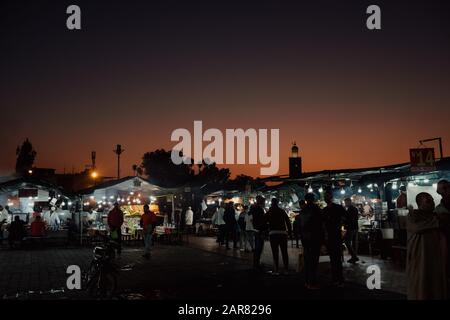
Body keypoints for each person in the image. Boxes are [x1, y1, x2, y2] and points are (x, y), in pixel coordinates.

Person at [406, 192, 447, 300]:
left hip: (435, 259)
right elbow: (416, 227)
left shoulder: (435, 215)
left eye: (432, 200)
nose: (432, 203)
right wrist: (437, 222)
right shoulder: (413, 215)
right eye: (428, 201)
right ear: (420, 203)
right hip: (420, 259)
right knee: (420, 286)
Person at [300, 193, 323, 289]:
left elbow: (300, 225)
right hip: (314, 237)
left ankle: (306, 281)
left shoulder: (303, 210)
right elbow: (320, 223)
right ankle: (312, 283)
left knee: (307, 260)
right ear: (312, 199)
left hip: (305, 238)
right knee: (314, 261)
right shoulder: (315, 209)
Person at [323, 189, 345, 287]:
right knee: (334, 259)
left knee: (336, 259)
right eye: (325, 196)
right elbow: (323, 224)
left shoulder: (337, 208)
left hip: (335, 236)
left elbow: (345, 218)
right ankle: (336, 279)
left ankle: (339, 279)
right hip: (331, 237)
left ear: (330, 197)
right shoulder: (325, 210)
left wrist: (340, 225)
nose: (325, 198)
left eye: (326, 196)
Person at [265, 198, 292, 275]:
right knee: (284, 252)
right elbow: (288, 221)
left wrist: (266, 230)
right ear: (277, 203)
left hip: (273, 233)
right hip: (283, 233)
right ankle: (286, 269)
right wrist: (289, 232)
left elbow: (264, 221)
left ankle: (276, 269)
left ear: (271, 203)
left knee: (275, 252)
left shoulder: (269, 212)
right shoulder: (282, 211)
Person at [435, 179, 450, 282]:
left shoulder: (439, 210)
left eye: (447, 187)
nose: (446, 190)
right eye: (443, 188)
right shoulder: (438, 209)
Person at [250, 195, 267, 270]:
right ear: (260, 201)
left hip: (256, 229)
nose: (264, 202)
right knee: (259, 247)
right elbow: (262, 220)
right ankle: (256, 264)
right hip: (259, 230)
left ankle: (256, 263)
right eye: (263, 201)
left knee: (258, 247)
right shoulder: (259, 209)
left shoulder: (254, 208)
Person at [344, 198, 360, 263]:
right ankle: (354, 257)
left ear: (349, 202)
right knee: (354, 243)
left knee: (347, 242)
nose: (345, 204)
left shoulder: (350, 209)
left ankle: (354, 256)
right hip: (355, 227)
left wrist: (345, 222)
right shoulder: (355, 208)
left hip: (351, 228)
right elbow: (356, 218)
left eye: (346, 202)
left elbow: (349, 219)